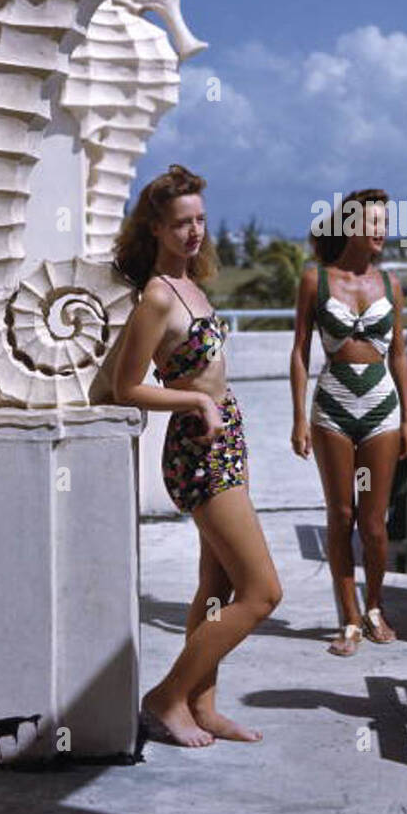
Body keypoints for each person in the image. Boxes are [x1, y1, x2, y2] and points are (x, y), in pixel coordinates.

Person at [113, 164, 282, 747]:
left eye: (201, 220)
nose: (194, 232)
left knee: (215, 587)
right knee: (262, 593)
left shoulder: (194, 286)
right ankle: (165, 698)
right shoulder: (159, 296)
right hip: (199, 451)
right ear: (156, 228)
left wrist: (218, 410)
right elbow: (124, 385)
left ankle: (202, 704)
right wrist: (196, 403)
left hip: (225, 439)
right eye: (181, 223)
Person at [290, 189, 407, 655]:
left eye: (385, 221)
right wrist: (299, 417)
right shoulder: (314, 280)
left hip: (382, 406)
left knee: (375, 523)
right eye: (373, 222)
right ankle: (348, 620)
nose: (381, 229)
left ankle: (375, 607)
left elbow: (399, 353)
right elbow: (300, 352)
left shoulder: (391, 283)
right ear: (349, 228)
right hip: (332, 406)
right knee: (340, 517)